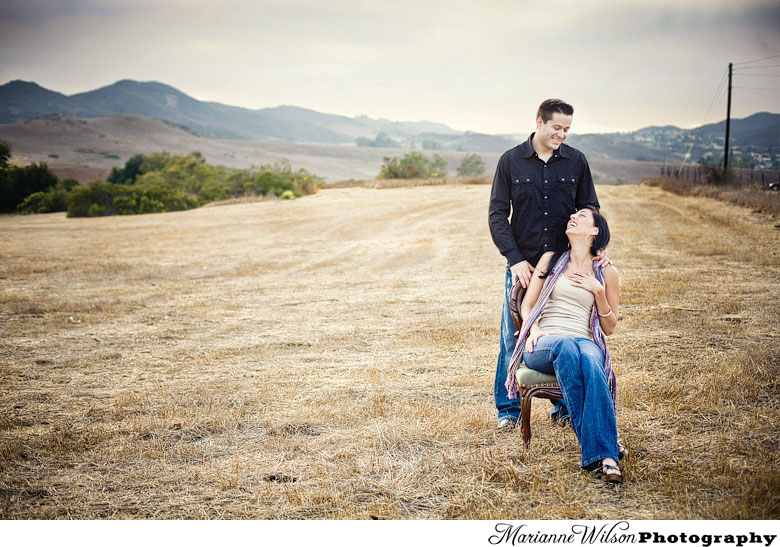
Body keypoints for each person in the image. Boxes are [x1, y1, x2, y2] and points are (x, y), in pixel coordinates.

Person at [488, 98, 606, 431]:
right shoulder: (511, 161)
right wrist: (514, 260)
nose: (562, 135)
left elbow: (591, 209)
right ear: (539, 122)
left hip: (563, 265)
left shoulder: (576, 162)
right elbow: (498, 215)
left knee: (561, 333)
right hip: (523, 263)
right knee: (513, 335)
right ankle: (508, 410)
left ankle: (563, 406)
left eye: (567, 129)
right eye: (557, 128)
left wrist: (598, 250)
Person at [504, 205, 623, 482]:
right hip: (545, 342)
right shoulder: (551, 259)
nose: (572, 217)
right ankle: (607, 448)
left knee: (593, 361)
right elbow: (529, 304)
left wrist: (598, 291)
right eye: (572, 215)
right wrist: (533, 328)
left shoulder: (607, 273)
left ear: (594, 231)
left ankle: (604, 458)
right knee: (568, 347)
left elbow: (609, 327)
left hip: (585, 341)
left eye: (581, 216)